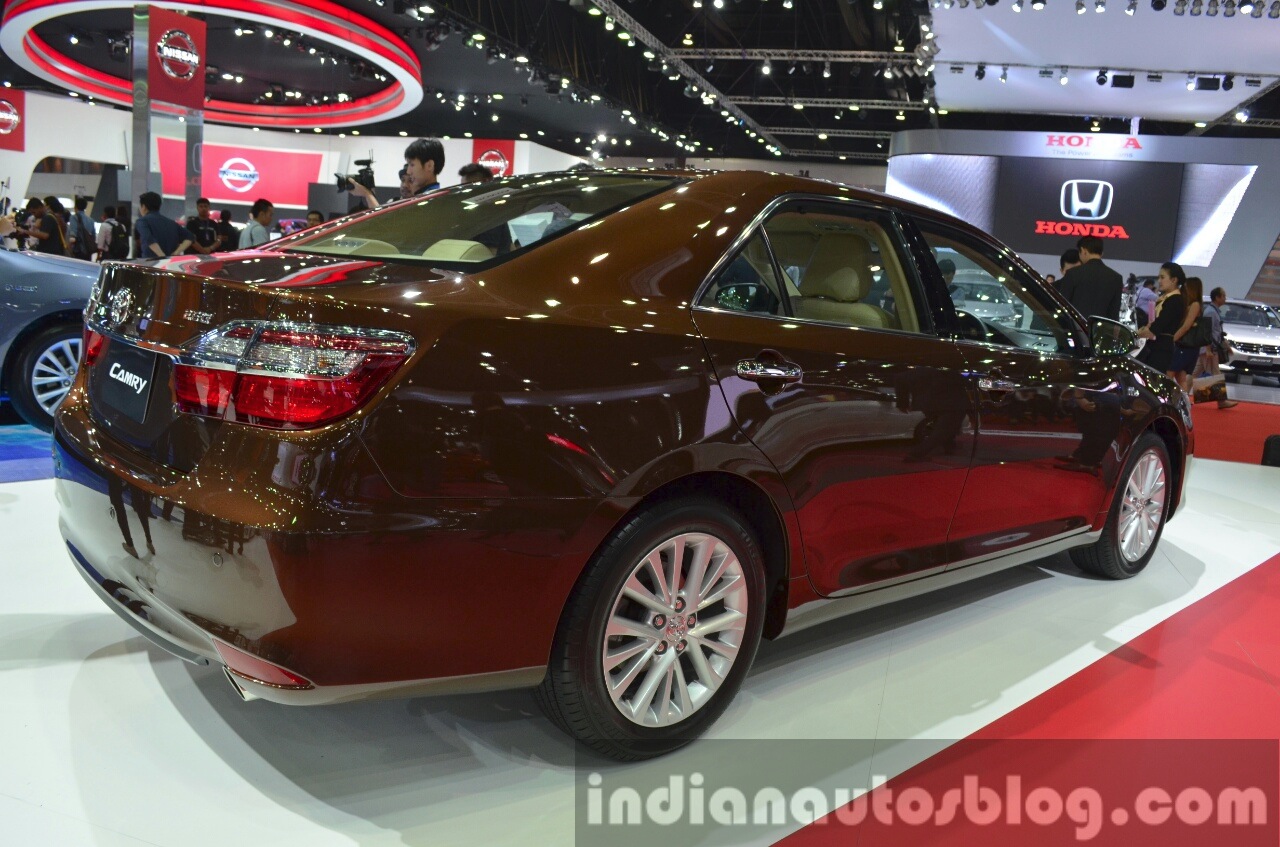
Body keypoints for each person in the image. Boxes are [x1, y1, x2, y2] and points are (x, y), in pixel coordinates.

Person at [348, 137, 445, 208]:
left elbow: (385, 226)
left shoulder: (429, 200)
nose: (408, 171)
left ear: (429, 165)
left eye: (412, 165)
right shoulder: (429, 197)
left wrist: (367, 194)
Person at [1136, 262, 1187, 376]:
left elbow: (1156, 327)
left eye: (1162, 277)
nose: (1159, 281)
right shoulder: (1165, 298)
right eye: (1159, 277)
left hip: (1161, 349)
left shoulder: (1175, 300)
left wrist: (1136, 334)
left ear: (1174, 280)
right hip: (1156, 347)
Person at [1058, 235, 1121, 321]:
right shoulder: (1116, 278)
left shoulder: (1073, 274)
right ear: (1101, 253)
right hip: (1101, 331)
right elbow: (1114, 314)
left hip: (1076, 329)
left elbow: (1062, 305)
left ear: (1083, 250)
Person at [1201, 286, 1238, 409]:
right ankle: (1221, 401)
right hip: (1210, 348)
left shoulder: (1213, 311)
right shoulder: (1211, 312)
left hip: (1209, 347)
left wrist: (1226, 346)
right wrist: (1208, 348)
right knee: (1216, 374)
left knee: (1195, 373)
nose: (1225, 298)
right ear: (1217, 297)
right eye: (1223, 296)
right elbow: (1207, 331)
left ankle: (1180, 396)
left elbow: (1216, 332)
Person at [1169, 276, 1205, 391]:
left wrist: (1172, 339)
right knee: (1180, 377)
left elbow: (1186, 326)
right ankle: (1183, 402)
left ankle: (1170, 401)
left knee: (1170, 373)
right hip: (1186, 346)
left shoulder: (1195, 305)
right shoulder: (1194, 304)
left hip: (1185, 346)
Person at [135, 191, 191, 258]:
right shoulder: (171, 223)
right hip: (169, 263)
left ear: (143, 207)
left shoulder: (142, 221)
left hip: (150, 263)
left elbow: (148, 239)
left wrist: (162, 256)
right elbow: (190, 237)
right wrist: (176, 252)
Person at [67, 196, 97, 261]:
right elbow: (93, 236)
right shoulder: (91, 220)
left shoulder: (74, 217)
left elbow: (73, 237)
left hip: (78, 250)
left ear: (76, 207)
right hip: (88, 250)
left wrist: (68, 248)